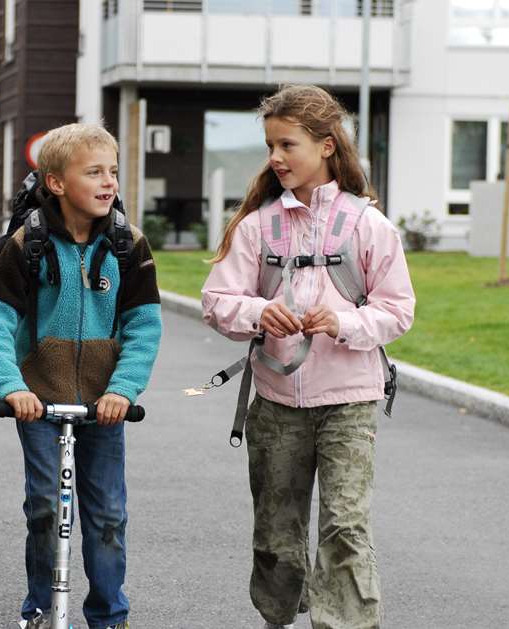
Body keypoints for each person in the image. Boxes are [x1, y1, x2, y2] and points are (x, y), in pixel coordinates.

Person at [201, 85, 415, 629]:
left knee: (345, 527)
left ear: (325, 146)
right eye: (270, 145)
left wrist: (344, 322)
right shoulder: (257, 226)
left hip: (349, 402)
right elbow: (217, 301)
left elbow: (398, 311)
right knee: (276, 534)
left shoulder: (368, 225)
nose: (275, 158)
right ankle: (278, 615)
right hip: (275, 406)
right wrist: (258, 312)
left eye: (287, 145)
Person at [0, 122, 162, 629]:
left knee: (106, 516)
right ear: (56, 183)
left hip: (104, 406)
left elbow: (144, 326)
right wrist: (12, 387)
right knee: (44, 508)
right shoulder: (28, 243)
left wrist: (123, 390)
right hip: (38, 400)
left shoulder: (129, 245)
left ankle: (109, 616)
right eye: (94, 172)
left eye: (113, 172)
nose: (109, 183)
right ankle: (39, 609)